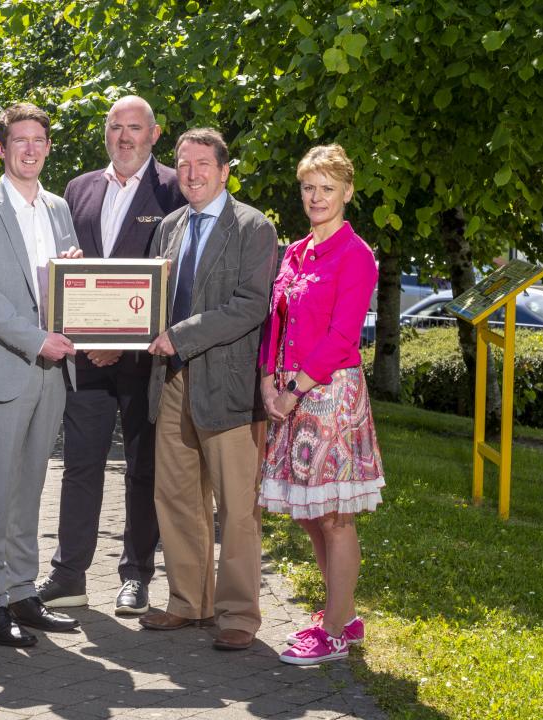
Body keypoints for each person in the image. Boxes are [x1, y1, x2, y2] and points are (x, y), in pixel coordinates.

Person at [36, 95, 185, 615]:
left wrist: (117, 339)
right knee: (80, 465)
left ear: (155, 134)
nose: (124, 137)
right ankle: (69, 573)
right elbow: (68, 271)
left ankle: (136, 575)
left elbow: (175, 279)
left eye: (135, 128)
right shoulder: (78, 190)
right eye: (116, 127)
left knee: (143, 469)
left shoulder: (173, 188)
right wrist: (86, 335)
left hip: (146, 360)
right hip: (85, 359)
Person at [141, 128, 278, 652]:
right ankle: (187, 602)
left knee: (236, 506)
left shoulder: (251, 226)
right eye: (184, 164)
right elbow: (152, 298)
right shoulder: (171, 226)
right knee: (176, 495)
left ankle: (238, 612)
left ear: (224, 171)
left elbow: (250, 305)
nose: (192, 173)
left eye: (203, 164)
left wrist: (180, 335)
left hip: (228, 383)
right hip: (171, 379)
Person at [0, 102, 83, 647]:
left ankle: (22, 592)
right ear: (1, 148)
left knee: (31, 485)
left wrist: (76, 274)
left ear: (48, 147)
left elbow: (66, 286)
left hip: (53, 372)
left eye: (38, 140)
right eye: (19, 140)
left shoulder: (58, 208)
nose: (30, 149)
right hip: (6, 366)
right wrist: (37, 339)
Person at [258, 144, 384, 665]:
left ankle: (333, 631)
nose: (316, 197)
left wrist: (293, 389)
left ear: (347, 193)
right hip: (288, 393)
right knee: (308, 514)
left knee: (334, 515)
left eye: (327, 188)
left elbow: (341, 336)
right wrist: (268, 378)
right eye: (309, 187)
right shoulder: (295, 251)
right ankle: (343, 612)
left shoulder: (357, 256)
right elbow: (276, 321)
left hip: (329, 394)